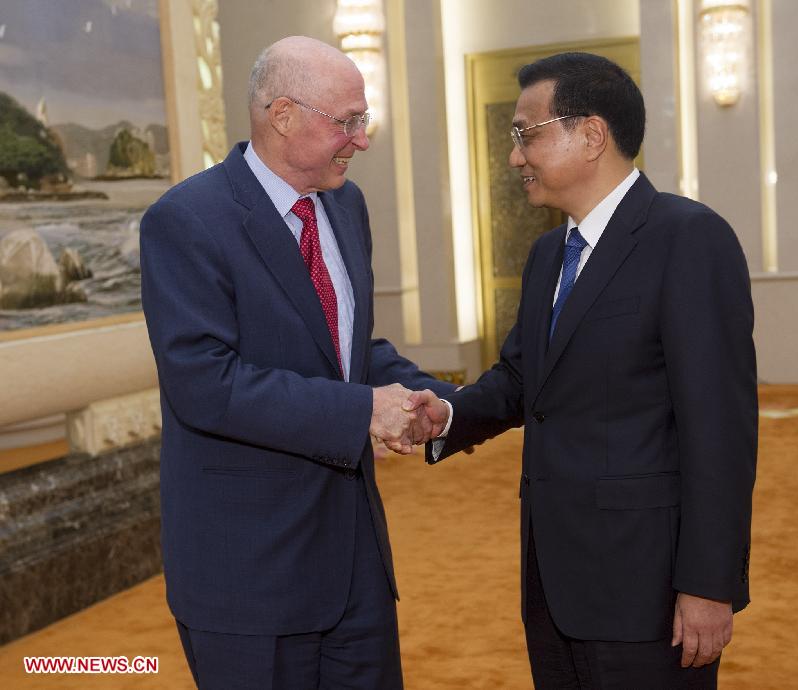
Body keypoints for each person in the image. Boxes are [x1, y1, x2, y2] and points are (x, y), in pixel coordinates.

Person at [413, 52, 758, 688]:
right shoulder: (549, 253)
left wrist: (709, 586)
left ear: (591, 134)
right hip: (553, 579)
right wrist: (447, 414)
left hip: (646, 587)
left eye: (527, 134)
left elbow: (720, 431)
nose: (515, 156)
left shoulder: (688, 238)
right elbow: (523, 381)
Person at [140, 36, 454, 689]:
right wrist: (364, 409)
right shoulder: (187, 220)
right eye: (347, 122)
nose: (361, 140)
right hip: (250, 576)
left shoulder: (346, 206)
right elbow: (207, 384)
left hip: (355, 568)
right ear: (281, 115)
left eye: (360, 120)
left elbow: (345, 346)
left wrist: (426, 397)